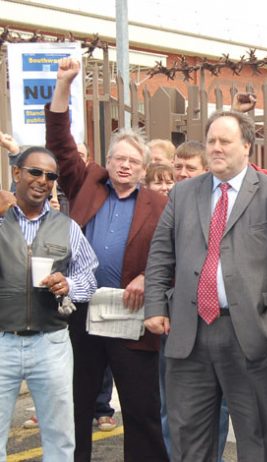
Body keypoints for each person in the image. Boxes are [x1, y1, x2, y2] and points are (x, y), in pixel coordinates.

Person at [144, 109, 267, 462]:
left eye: (225, 141)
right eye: (211, 141)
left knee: (259, 441)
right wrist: (156, 306)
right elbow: (161, 253)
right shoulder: (183, 194)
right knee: (189, 439)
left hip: (249, 335)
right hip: (189, 335)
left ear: (247, 146)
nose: (216, 148)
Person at [45, 57, 168, 462]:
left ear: (144, 168)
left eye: (134, 160)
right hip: (80, 309)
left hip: (130, 313)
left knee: (141, 408)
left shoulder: (161, 204)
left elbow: (177, 252)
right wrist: (64, 83)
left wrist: (148, 277)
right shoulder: (87, 185)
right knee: (76, 403)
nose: (126, 165)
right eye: (119, 158)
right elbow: (60, 141)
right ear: (108, 160)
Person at [0, 146, 98, 461]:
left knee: (59, 437)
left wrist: (68, 284)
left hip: (51, 342)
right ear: (17, 173)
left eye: (51, 176)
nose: (43, 181)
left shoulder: (66, 226)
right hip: (3, 339)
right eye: (35, 172)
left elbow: (89, 278)